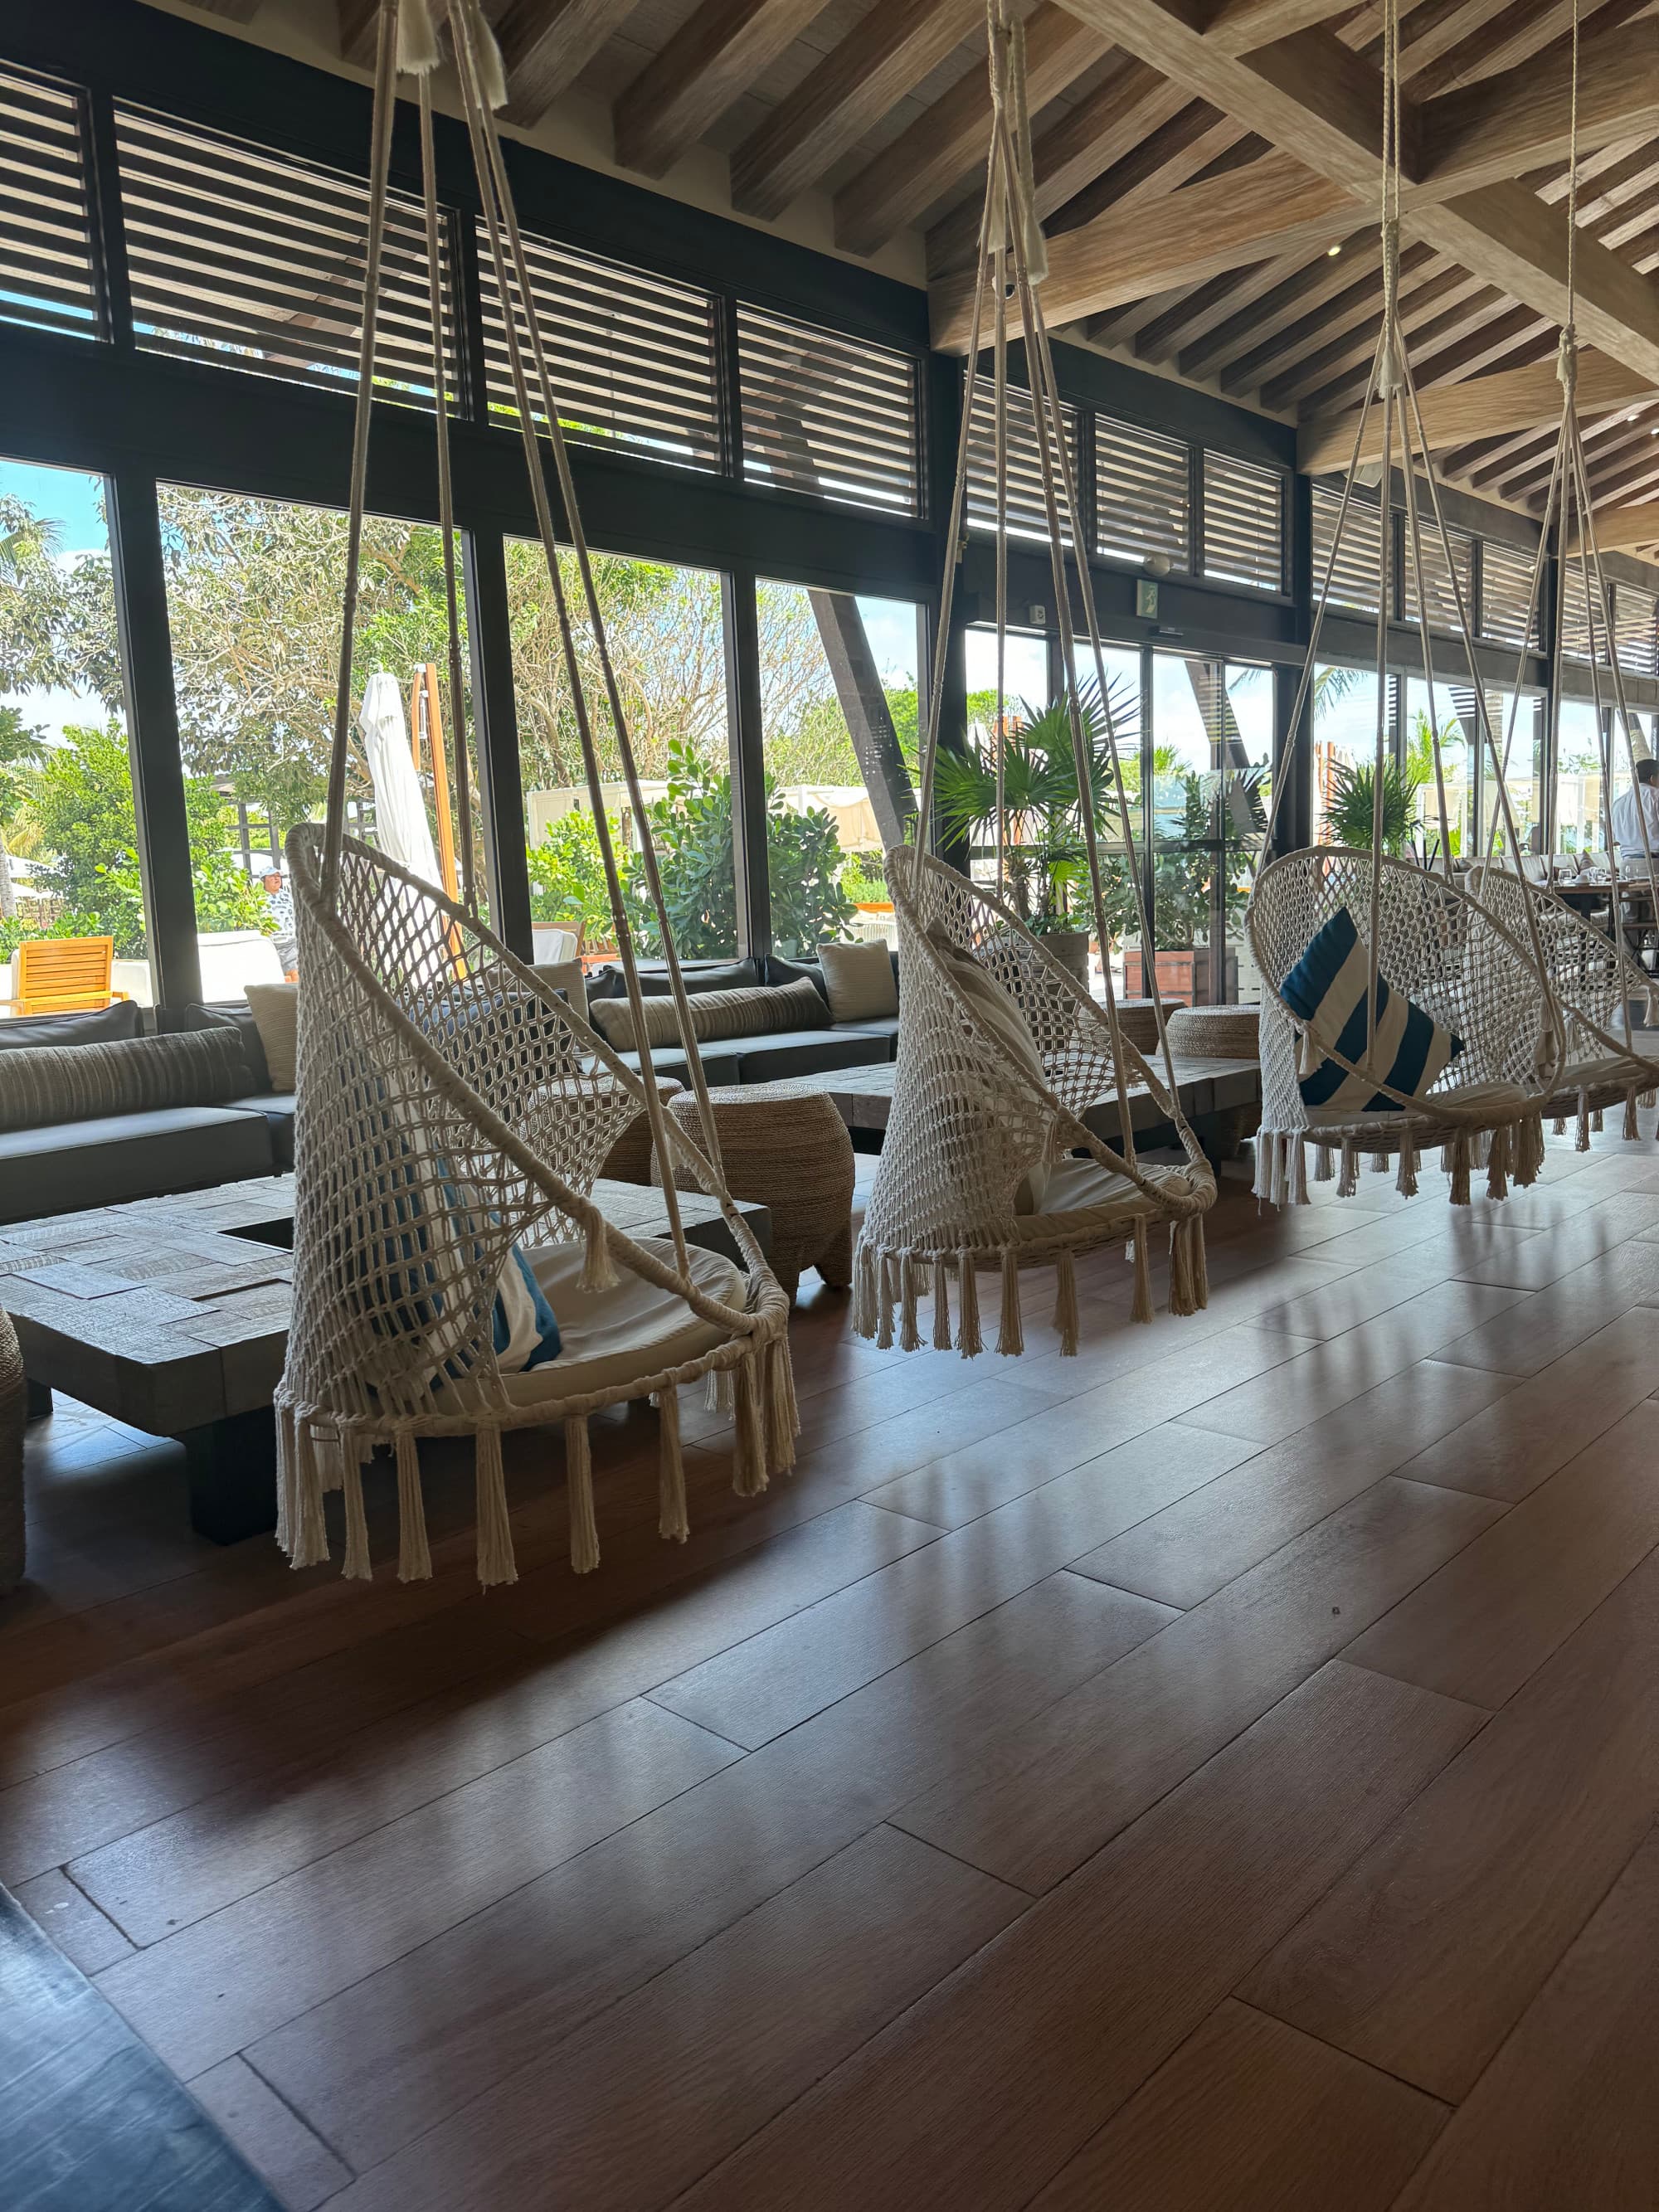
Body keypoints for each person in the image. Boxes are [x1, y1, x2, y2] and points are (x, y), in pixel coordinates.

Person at [1611, 758, 1659, 866]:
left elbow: (1615, 839)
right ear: (1653, 779)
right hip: (1654, 864)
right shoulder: (1656, 796)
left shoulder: (1618, 803)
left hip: (1626, 865)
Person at [261, 868, 299, 980]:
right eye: (272, 876)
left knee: (295, 973)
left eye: (278, 876)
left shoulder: (288, 896)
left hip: (290, 943)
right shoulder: (259, 898)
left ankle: (298, 996)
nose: (276, 878)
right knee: (278, 977)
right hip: (270, 944)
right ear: (263, 880)